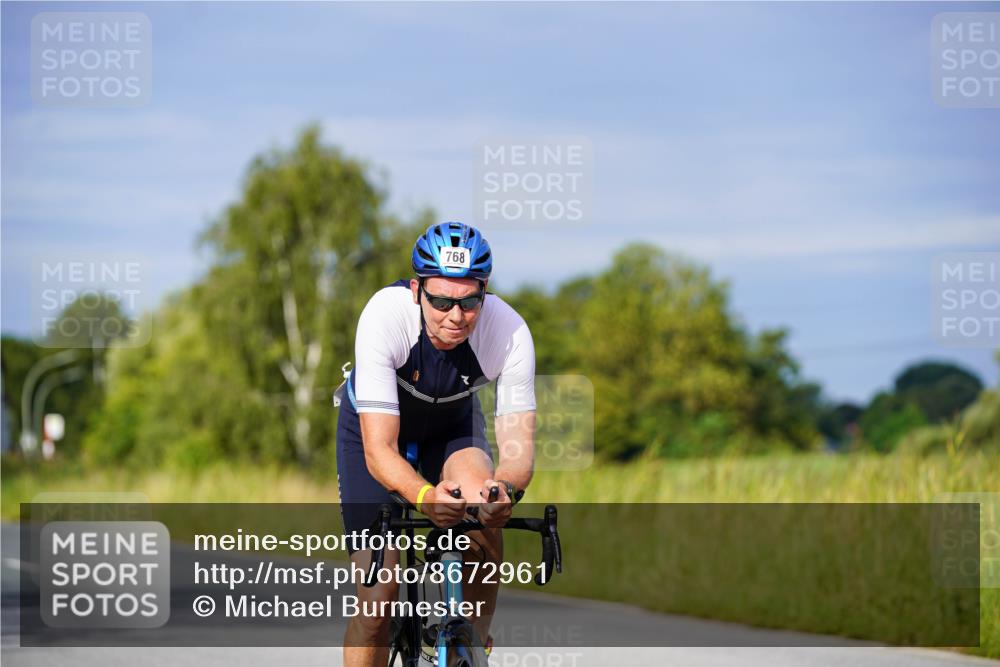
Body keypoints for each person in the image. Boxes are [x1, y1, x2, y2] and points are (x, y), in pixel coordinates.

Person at [335, 221, 536, 667]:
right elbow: (379, 451)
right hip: (376, 433)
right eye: (441, 301)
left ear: (485, 292)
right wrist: (425, 497)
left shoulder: (510, 331)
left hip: (451, 425)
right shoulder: (385, 315)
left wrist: (504, 490)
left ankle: (472, 644)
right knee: (378, 597)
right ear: (417, 290)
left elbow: (519, 450)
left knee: (482, 502)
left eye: (469, 302)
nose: (455, 316)